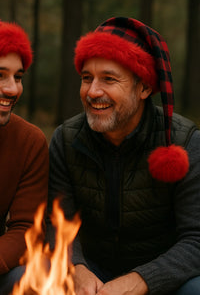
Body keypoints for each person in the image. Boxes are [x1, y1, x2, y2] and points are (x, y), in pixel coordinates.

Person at [46, 17, 200, 295]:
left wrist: (142, 280)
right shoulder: (65, 140)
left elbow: (196, 239)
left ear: (144, 88)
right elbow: (58, 222)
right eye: (86, 78)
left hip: (161, 276)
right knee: (30, 276)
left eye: (109, 79)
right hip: (90, 271)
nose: (93, 92)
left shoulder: (184, 143)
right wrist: (77, 268)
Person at [0, 21, 49, 294]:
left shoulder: (29, 142)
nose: (11, 89)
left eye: (17, 77)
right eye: (0, 75)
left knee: (32, 274)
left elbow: (26, 227)